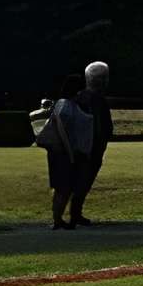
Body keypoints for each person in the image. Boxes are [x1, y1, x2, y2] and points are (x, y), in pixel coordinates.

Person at [36, 71, 95, 229]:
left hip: (64, 152)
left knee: (64, 187)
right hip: (62, 153)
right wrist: (70, 152)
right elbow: (62, 129)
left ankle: (58, 219)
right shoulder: (65, 104)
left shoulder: (70, 104)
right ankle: (57, 219)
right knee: (63, 187)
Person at [65, 59, 116, 227]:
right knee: (84, 179)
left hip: (83, 145)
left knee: (80, 179)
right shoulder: (96, 100)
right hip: (91, 146)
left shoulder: (80, 98)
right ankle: (74, 214)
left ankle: (74, 213)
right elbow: (101, 126)